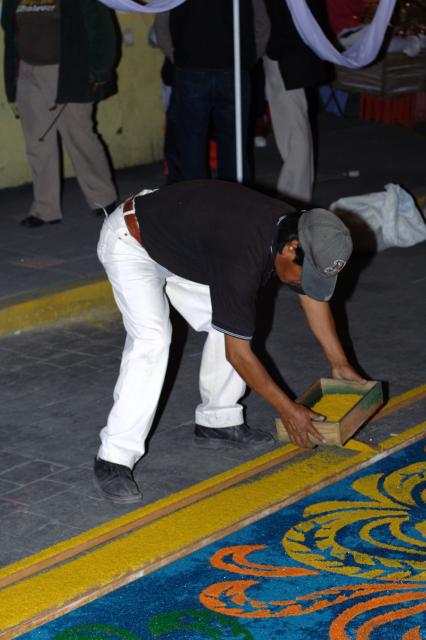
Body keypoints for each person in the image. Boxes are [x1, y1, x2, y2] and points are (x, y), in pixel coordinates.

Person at [93, 179, 364, 504]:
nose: (302, 284)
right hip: (131, 242)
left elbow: (311, 295)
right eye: (305, 274)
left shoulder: (299, 230)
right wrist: (288, 410)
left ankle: (217, 421)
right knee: (153, 340)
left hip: (185, 249)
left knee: (233, 323)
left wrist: (339, 362)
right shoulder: (245, 252)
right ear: (291, 249)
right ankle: (114, 457)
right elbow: (239, 355)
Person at [1, 0, 118, 227]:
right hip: (27, 71)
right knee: (37, 141)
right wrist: (11, 82)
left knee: (80, 137)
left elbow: (101, 27)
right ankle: (45, 209)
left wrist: (101, 70)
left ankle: (103, 199)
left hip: (68, 72)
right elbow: (9, 28)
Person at [154, 0, 270, 183]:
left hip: (191, 67)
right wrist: (249, 58)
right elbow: (261, 23)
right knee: (234, 144)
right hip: (233, 67)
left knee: (191, 144)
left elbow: (162, 22)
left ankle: (197, 202)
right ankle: (235, 201)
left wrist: (176, 56)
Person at [263, 0, 331, 203]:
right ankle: (295, 189)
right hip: (290, 56)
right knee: (290, 124)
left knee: (294, 126)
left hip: (288, 58)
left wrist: (271, 48)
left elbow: (285, 20)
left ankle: (294, 191)